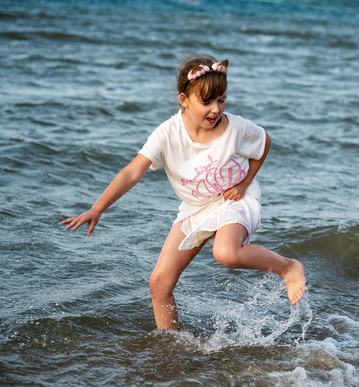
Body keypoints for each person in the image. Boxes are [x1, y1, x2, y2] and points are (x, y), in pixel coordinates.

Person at [62, 53, 306, 330]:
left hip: (232, 199)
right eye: (207, 102)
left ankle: (288, 268)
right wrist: (98, 208)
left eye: (221, 100)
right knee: (159, 284)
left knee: (226, 253)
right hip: (195, 208)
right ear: (184, 100)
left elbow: (264, 144)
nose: (216, 109)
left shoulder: (236, 127)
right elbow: (132, 172)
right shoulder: (167, 133)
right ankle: (170, 348)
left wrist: (244, 183)